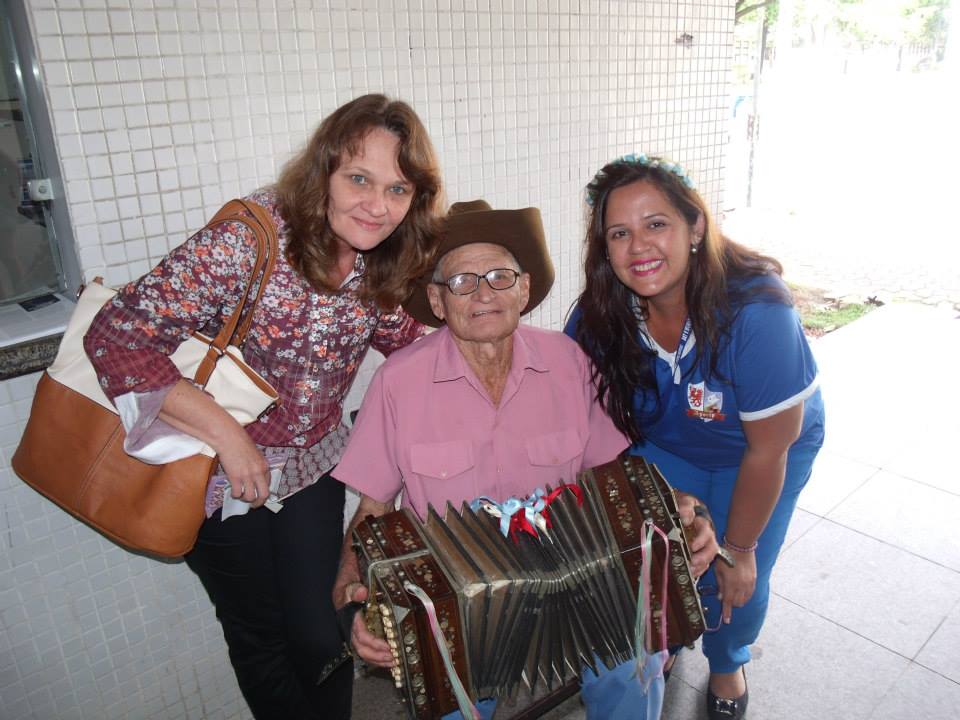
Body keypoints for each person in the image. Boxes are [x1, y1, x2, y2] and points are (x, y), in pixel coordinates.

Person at [83, 94, 444, 720]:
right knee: (261, 638)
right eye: (359, 178)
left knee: (321, 629)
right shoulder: (247, 241)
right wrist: (229, 435)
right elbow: (115, 336)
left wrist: (485, 341)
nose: (377, 205)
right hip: (213, 475)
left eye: (398, 189)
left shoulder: (376, 255)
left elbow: (402, 341)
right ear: (325, 170)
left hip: (310, 470)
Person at [332, 200, 720, 720]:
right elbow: (371, 512)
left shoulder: (567, 361)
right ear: (436, 301)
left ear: (524, 288)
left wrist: (683, 513)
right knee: (449, 702)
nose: (484, 293)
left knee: (637, 658)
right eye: (462, 282)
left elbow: (614, 475)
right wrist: (358, 603)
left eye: (498, 276)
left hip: (581, 582)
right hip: (462, 606)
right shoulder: (398, 383)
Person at [565, 153, 826, 720]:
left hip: (757, 451)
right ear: (603, 247)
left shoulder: (756, 310)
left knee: (736, 573)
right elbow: (582, 424)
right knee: (654, 553)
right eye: (619, 233)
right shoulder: (598, 316)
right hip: (663, 444)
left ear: (695, 226)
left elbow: (770, 447)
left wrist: (739, 546)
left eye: (656, 224)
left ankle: (727, 659)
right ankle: (665, 633)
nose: (639, 247)